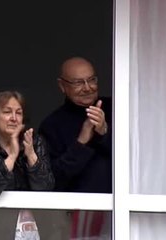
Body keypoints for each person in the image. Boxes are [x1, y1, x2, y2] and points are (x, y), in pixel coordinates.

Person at [39, 57, 112, 193]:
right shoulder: (52, 125)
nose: (87, 88)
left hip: (121, 206)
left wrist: (104, 133)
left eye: (92, 80)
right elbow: (52, 180)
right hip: (75, 207)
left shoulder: (115, 108)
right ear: (62, 86)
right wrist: (81, 143)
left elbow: (138, 155)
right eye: (78, 83)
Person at [0, 90, 55, 198]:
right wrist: (12, 157)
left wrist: (31, 155)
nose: (14, 118)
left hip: (30, 212)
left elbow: (46, 187)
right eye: (7, 112)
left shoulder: (35, 142)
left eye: (18, 113)